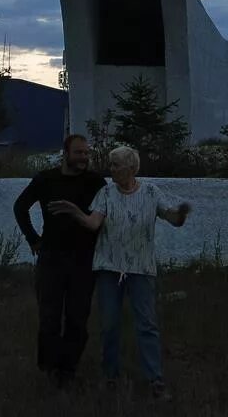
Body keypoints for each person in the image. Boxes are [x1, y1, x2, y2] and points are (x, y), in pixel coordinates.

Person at [48, 145, 190, 401]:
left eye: (116, 165)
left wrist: (180, 215)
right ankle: (110, 377)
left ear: (132, 168)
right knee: (110, 325)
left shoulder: (150, 192)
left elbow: (171, 217)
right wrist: (75, 211)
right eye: (111, 164)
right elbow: (93, 223)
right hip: (109, 269)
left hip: (141, 269)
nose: (111, 169)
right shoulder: (106, 193)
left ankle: (155, 380)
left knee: (147, 325)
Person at [13, 134, 107, 389]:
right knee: (50, 317)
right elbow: (20, 207)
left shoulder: (95, 182)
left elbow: (106, 214)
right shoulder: (46, 179)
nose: (84, 158)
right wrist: (33, 239)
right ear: (65, 154)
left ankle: (68, 370)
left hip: (84, 260)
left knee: (77, 318)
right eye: (79, 153)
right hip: (52, 259)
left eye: (87, 153)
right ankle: (49, 369)